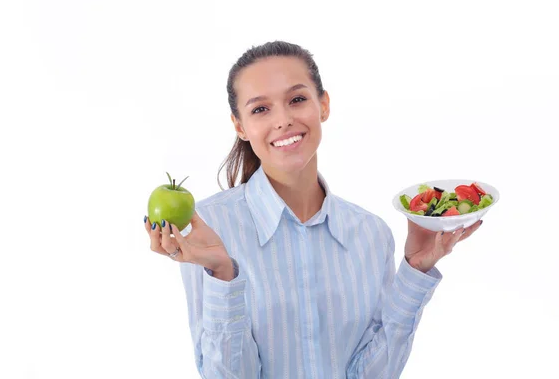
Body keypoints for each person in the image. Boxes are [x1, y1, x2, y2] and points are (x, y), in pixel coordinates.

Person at [144, 40, 483, 379]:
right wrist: (222, 273)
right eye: (260, 109)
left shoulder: (371, 234)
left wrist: (415, 271)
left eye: (297, 99)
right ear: (240, 126)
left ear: (324, 105)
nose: (283, 120)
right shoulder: (207, 226)